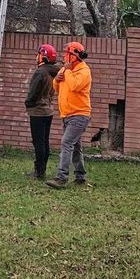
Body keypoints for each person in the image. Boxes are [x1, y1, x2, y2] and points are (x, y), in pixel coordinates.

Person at [47, 41, 92, 188]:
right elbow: (57, 87)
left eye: (68, 54)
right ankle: (80, 177)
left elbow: (74, 86)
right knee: (75, 146)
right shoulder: (66, 70)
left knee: (66, 143)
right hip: (67, 114)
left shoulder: (84, 71)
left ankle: (61, 177)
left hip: (79, 114)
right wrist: (57, 80)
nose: (65, 57)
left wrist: (66, 71)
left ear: (75, 56)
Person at [24, 44, 61, 180]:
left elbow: (33, 92)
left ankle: (39, 172)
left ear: (43, 57)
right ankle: (42, 170)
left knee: (38, 142)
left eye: (39, 54)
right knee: (44, 142)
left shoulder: (40, 73)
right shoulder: (54, 72)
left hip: (37, 112)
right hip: (48, 111)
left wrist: (28, 103)